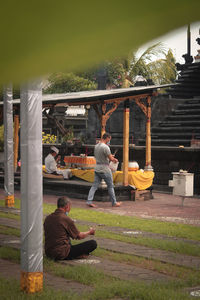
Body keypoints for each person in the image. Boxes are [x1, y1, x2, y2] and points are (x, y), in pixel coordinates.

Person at [87, 132, 122, 208]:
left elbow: (101, 156)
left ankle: (89, 201)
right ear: (107, 138)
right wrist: (114, 159)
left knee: (94, 186)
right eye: (109, 139)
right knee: (110, 186)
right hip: (105, 169)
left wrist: (110, 157)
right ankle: (114, 202)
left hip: (97, 168)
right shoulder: (106, 147)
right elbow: (110, 159)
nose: (109, 141)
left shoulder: (96, 146)